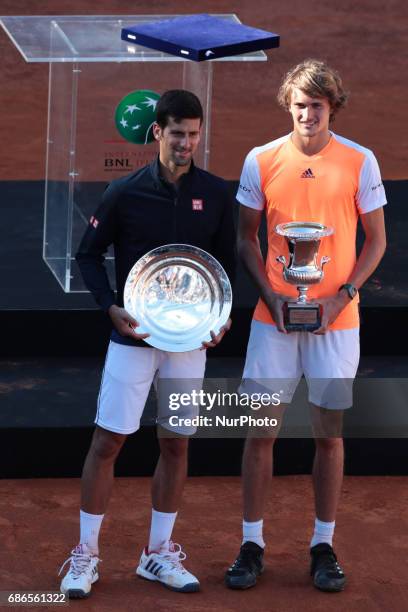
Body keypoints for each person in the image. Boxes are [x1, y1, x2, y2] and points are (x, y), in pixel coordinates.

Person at [58, 89, 235, 598]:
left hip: (189, 342)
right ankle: (85, 555)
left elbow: (224, 267)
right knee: (107, 441)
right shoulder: (124, 191)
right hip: (132, 338)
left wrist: (220, 318)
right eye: (178, 133)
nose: (187, 143)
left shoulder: (216, 193)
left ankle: (156, 554)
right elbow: (88, 256)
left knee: (176, 444)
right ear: (157, 132)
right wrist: (110, 307)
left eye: (195, 134)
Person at [225, 59, 386, 592]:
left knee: (329, 437)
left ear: (332, 107)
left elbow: (377, 241)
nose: (307, 114)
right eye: (299, 104)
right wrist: (270, 293)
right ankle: (252, 543)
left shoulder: (360, 161)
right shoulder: (261, 159)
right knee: (259, 433)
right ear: (288, 106)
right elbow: (245, 239)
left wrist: (342, 298)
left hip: (337, 326)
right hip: (273, 322)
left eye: (316, 105)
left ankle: (323, 544)